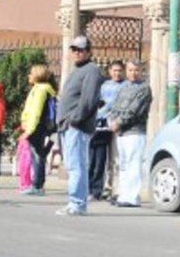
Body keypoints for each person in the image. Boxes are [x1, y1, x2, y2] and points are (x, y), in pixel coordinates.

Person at [56, 35, 105, 216]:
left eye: (81, 50)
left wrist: (74, 120)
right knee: (74, 165)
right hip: (68, 126)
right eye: (74, 49)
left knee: (77, 165)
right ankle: (76, 202)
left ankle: (77, 203)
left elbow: (88, 100)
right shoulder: (77, 70)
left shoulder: (91, 70)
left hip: (77, 126)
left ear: (89, 52)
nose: (77, 53)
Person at [107, 60, 153, 208]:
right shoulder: (124, 87)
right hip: (121, 133)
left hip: (135, 131)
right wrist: (111, 120)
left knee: (133, 164)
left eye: (136, 70)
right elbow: (114, 105)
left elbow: (134, 110)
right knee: (123, 165)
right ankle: (123, 194)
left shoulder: (144, 89)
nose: (133, 73)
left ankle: (131, 197)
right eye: (130, 70)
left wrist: (119, 122)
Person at [18, 63, 57, 196]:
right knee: (38, 155)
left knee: (38, 155)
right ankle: (37, 184)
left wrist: (29, 130)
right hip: (39, 127)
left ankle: (38, 185)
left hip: (38, 127)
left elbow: (36, 111)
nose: (29, 76)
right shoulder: (42, 88)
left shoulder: (40, 90)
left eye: (31, 73)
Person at [89, 59, 125, 201]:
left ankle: (114, 189)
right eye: (114, 71)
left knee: (115, 160)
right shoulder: (104, 86)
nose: (117, 73)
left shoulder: (125, 86)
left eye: (119, 71)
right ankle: (97, 189)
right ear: (110, 72)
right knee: (98, 160)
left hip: (117, 125)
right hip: (101, 125)